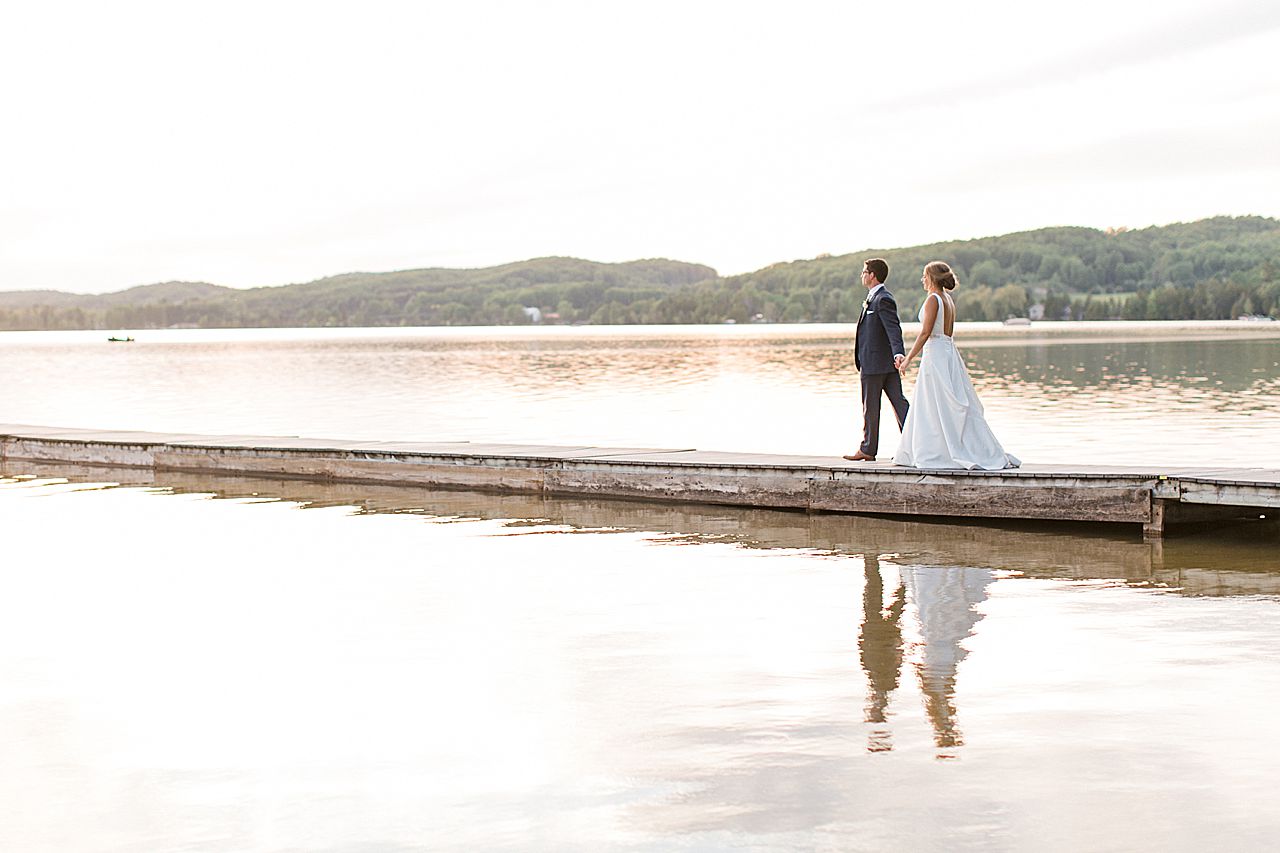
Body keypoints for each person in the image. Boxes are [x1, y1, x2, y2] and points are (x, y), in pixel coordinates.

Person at [893, 261, 1020, 470]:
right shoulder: (947, 299)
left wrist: (908, 359)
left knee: (935, 404)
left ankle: (938, 452)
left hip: (936, 355)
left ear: (932, 277)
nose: (922, 280)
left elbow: (925, 333)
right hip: (948, 353)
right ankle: (947, 448)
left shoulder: (934, 299)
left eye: (925, 276)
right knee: (939, 404)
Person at [844, 258, 909, 462]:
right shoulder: (873, 298)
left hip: (876, 364)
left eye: (864, 272)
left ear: (872, 275)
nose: (862, 275)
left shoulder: (883, 299)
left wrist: (899, 353)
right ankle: (914, 443)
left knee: (875, 407)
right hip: (882, 363)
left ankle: (868, 449)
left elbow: (894, 329)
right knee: (898, 404)